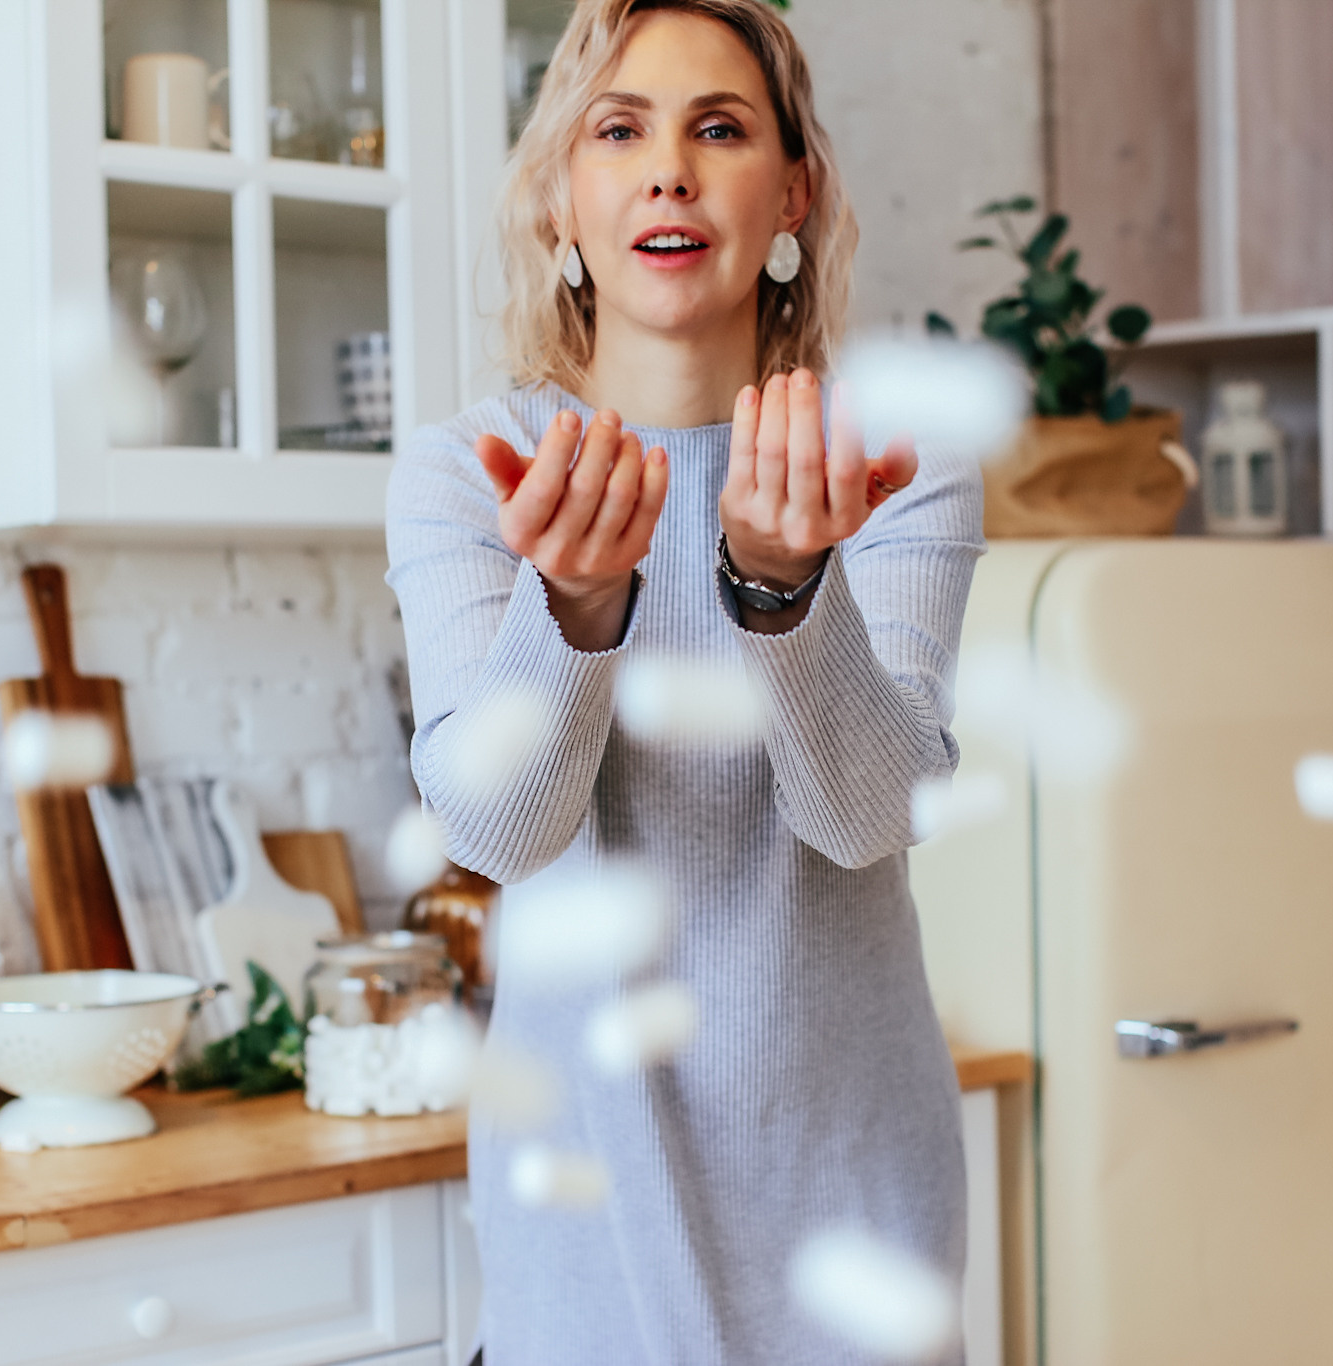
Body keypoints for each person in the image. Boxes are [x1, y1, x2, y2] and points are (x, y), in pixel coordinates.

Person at [385, 1, 982, 1359]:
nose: (671, 169)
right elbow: (496, 828)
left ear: (792, 194)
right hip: (588, 1240)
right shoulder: (473, 473)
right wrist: (576, 605)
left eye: (721, 128)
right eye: (620, 129)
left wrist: (784, 589)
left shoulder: (886, 463)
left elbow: (869, 813)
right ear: (559, 199)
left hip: (859, 1243)